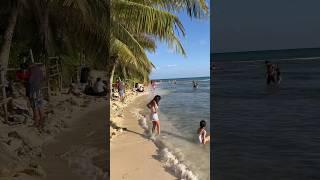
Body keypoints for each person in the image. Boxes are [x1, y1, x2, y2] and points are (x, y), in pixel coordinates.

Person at [28, 63, 45, 129]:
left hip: (34, 92)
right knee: (40, 107)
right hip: (39, 91)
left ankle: (36, 123)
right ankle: (42, 123)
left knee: (35, 108)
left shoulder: (33, 72)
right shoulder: (40, 72)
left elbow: (30, 82)